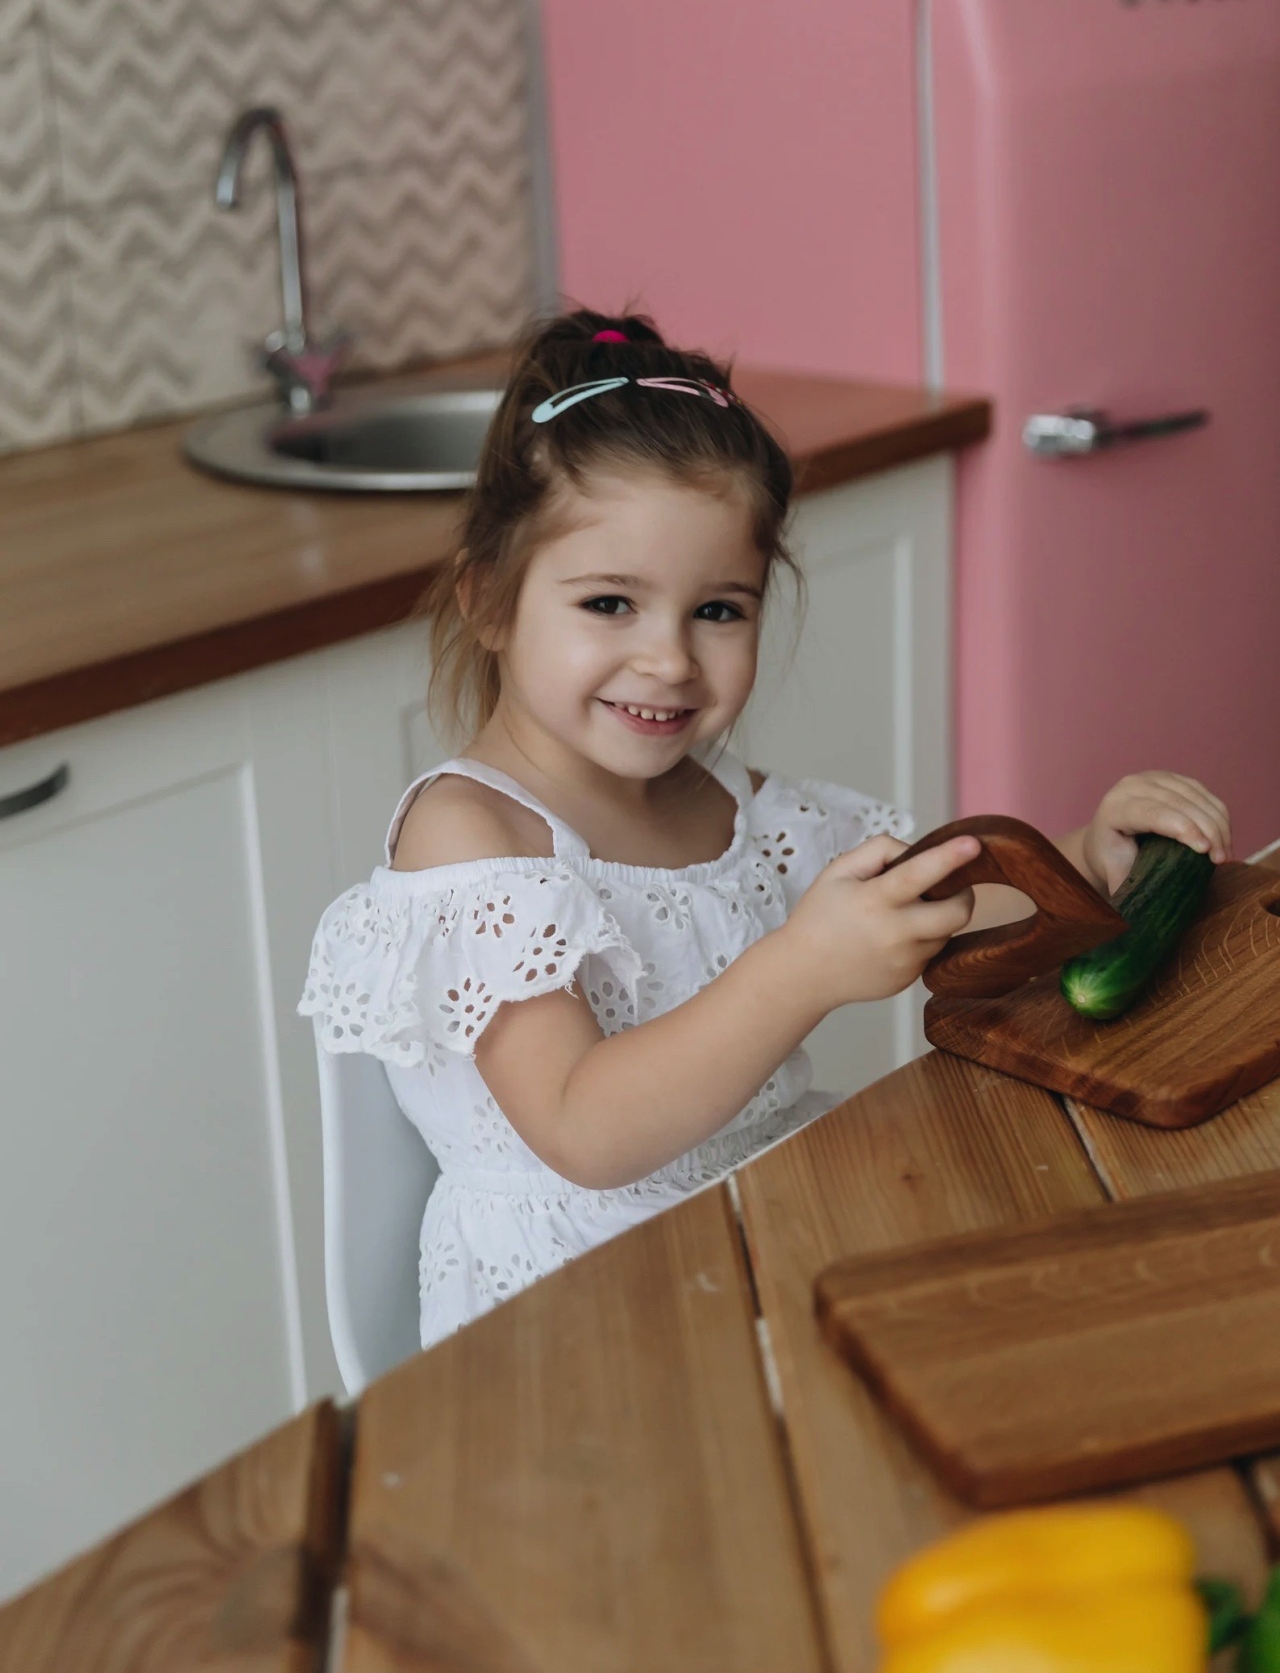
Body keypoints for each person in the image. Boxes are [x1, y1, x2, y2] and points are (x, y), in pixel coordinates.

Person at [298, 309, 1232, 1348]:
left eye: (718, 610)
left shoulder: (722, 798)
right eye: (609, 604)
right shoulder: (470, 836)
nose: (668, 660)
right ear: (489, 602)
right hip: (579, 1317)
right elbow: (581, 1128)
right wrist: (801, 970)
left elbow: (924, 900)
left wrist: (1083, 860)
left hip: (771, 1233)